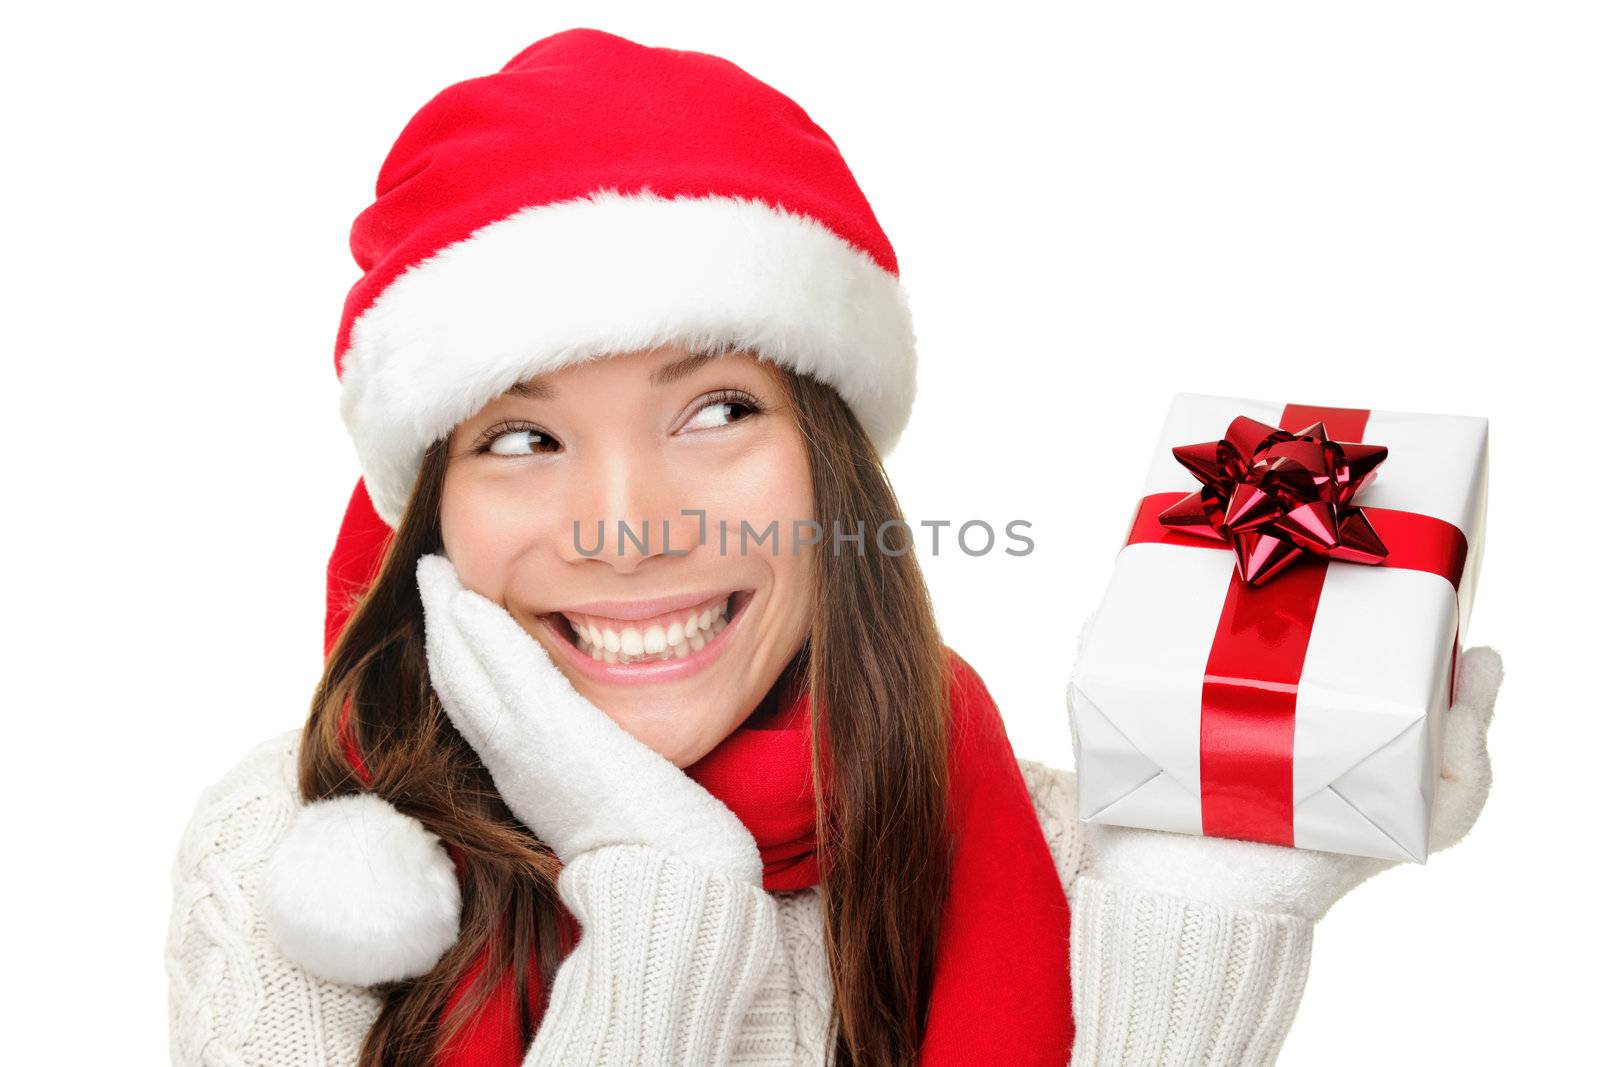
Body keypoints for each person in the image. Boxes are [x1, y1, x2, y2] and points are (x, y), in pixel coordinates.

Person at [164, 28, 1503, 1067]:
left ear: (832, 464)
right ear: (434, 512)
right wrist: (661, 900)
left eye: (715, 411)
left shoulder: (1060, 843)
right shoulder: (299, 859)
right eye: (522, 439)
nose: (628, 526)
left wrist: (1199, 929)